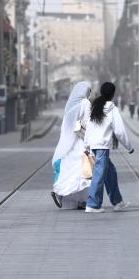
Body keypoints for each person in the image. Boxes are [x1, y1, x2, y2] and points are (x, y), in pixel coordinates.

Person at [84, 82, 134, 213]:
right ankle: (92, 204)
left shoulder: (96, 106)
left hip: (94, 145)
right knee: (99, 175)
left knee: (110, 172)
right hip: (102, 147)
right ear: (112, 94)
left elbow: (89, 127)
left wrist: (86, 144)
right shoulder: (112, 109)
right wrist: (129, 147)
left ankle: (117, 202)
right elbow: (120, 131)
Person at [51, 81, 92, 210]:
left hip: (67, 143)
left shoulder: (70, 104)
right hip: (80, 141)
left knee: (68, 170)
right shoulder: (85, 103)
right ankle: (80, 199)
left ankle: (65, 194)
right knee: (84, 172)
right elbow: (86, 122)